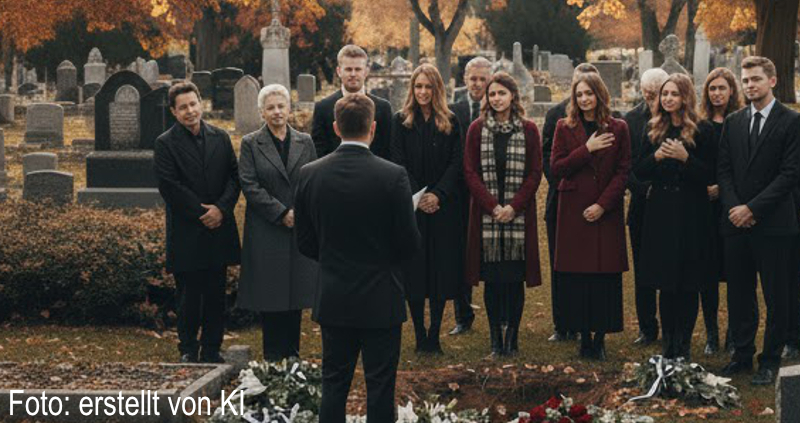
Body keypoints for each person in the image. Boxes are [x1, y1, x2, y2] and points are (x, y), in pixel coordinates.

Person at [295, 94, 420, 422]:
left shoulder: (309, 174)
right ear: (374, 128)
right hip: (381, 295)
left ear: (336, 128)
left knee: (334, 384)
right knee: (380, 385)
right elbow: (408, 243)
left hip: (335, 295)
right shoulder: (393, 176)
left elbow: (305, 242)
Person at [718, 56, 800, 385]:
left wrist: (753, 208)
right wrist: (735, 207)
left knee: (776, 295)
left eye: (756, 79)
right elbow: (723, 171)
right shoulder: (734, 121)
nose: (750, 85)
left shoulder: (791, 122)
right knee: (739, 292)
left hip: (775, 223)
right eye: (746, 79)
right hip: (736, 224)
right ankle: (741, 354)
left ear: (772, 81)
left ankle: (769, 359)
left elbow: (790, 174)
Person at [154, 82, 241, 364]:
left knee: (216, 293)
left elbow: (234, 177)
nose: (190, 111)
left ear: (200, 103)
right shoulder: (165, 143)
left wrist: (222, 209)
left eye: (193, 104)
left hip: (219, 227)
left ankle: (212, 348)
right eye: (183, 107)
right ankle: (189, 348)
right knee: (189, 295)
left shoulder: (220, 137)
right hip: (188, 230)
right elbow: (170, 185)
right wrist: (203, 213)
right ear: (173, 112)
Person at [634, 73, 717, 360]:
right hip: (661, 213)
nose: (668, 99)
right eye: (664, 94)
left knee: (688, 282)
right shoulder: (653, 128)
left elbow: (711, 173)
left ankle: (684, 345)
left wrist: (686, 158)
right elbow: (639, 169)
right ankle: (668, 344)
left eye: (674, 94)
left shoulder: (703, 130)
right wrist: (657, 157)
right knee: (666, 281)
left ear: (685, 97)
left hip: (692, 212)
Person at [550, 72, 630, 360]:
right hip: (574, 209)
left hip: (604, 209)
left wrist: (603, 204)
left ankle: (600, 337)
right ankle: (583, 337)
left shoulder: (619, 127)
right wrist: (587, 149)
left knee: (603, 275)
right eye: (579, 94)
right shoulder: (564, 126)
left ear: (599, 94)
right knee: (578, 276)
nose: (584, 99)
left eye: (589, 94)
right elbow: (557, 167)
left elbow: (623, 171)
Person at [237, 84, 318, 361]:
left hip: (298, 227)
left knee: (296, 294)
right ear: (262, 112)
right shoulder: (250, 143)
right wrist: (282, 212)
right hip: (267, 228)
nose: (276, 112)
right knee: (271, 295)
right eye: (270, 107)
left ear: (289, 108)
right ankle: (272, 357)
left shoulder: (304, 142)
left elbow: (312, 180)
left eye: (281, 106)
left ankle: (293, 356)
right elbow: (249, 185)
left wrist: (300, 212)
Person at [464, 72, 542, 357]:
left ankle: (513, 336)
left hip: (517, 218)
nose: (496, 99)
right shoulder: (476, 129)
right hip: (487, 218)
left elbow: (535, 172)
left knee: (513, 281)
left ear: (513, 96)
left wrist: (513, 206)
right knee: (493, 281)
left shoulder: (529, 129)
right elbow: (470, 172)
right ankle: (496, 337)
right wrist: (493, 206)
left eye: (502, 93)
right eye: (492, 94)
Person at [391, 64, 464, 354]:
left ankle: (435, 333)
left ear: (437, 90)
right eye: (418, 87)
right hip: (413, 207)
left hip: (443, 207)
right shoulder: (401, 121)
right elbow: (397, 160)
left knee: (439, 271)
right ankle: (420, 334)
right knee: (416, 272)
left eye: (428, 87)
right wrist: (419, 196)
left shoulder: (450, 121)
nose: (422, 92)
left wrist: (438, 194)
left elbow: (456, 163)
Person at [541, 63, 600, 342]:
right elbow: (548, 160)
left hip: (593, 202)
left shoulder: (605, 121)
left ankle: (585, 321)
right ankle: (562, 323)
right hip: (562, 198)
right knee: (561, 265)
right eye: (579, 86)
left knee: (589, 265)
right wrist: (566, 188)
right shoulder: (556, 115)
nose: (583, 93)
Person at [698, 68, 744, 355]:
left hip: (732, 205)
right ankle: (711, 334)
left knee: (736, 274)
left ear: (731, 91)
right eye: (712, 88)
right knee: (707, 274)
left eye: (722, 88)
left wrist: (723, 190)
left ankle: (733, 334)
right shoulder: (701, 125)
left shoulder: (740, 122)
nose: (717, 93)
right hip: (704, 208)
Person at [624, 68, 669, 347]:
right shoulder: (630, 119)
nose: (652, 100)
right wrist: (642, 189)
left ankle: (671, 324)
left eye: (657, 93)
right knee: (643, 271)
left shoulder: (675, 117)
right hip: (642, 202)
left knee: (668, 267)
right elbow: (625, 165)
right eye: (648, 94)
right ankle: (647, 327)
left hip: (670, 202)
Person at [447, 56, 492, 336]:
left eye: (482, 79)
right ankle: (463, 316)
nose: (477, 84)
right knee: (460, 255)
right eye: (472, 79)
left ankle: (497, 315)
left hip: (490, 192)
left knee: (491, 256)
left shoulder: (498, 108)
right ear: (465, 79)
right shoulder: (453, 112)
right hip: (460, 195)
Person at [312, 44, 393, 159]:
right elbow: (319, 152)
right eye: (348, 69)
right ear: (339, 71)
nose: (353, 74)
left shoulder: (383, 108)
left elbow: (388, 150)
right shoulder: (323, 108)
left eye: (358, 69)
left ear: (366, 71)